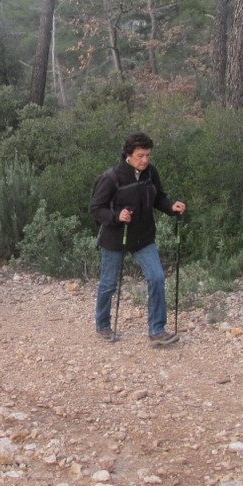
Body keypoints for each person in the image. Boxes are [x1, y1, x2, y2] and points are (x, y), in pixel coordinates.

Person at [90, 131, 186, 346]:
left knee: (157, 277)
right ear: (128, 154)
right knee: (108, 284)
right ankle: (103, 324)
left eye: (148, 155)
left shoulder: (151, 173)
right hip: (116, 238)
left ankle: (157, 330)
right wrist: (116, 216)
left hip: (143, 237)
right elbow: (96, 209)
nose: (145, 160)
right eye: (140, 155)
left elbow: (159, 198)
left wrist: (171, 206)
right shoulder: (111, 177)